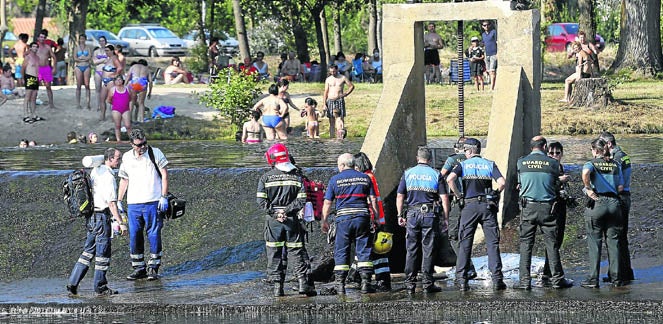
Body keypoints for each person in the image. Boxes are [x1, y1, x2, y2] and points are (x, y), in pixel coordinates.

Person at [446, 138, 507, 291]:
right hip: (487, 205)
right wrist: (495, 193)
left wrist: (459, 196)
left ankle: (461, 279)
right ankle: (497, 278)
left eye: (465, 150)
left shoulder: (463, 165)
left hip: (469, 205)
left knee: (465, 242)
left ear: (470, 150)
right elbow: (502, 182)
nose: (465, 153)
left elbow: (450, 179)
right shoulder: (489, 164)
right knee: (492, 243)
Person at [514, 136, 573, 290]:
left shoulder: (521, 162)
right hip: (548, 208)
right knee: (552, 244)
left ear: (531, 146)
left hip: (528, 208)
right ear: (545, 147)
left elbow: (521, 182)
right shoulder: (553, 163)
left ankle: (524, 282)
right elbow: (554, 183)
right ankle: (557, 280)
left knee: (526, 244)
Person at [256, 143, 315, 297]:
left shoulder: (265, 178)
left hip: (273, 222)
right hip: (292, 220)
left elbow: (261, 202)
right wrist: (287, 211)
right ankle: (303, 283)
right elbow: (302, 200)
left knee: (274, 252)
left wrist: (276, 214)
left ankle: (278, 288)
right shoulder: (297, 177)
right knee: (296, 251)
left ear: (272, 159)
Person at [66, 148, 126, 296]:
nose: (120, 161)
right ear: (110, 159)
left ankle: (73, 282)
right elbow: (111, 203)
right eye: (118, 158)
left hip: (91, 216)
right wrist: (121, 222)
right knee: (103, 253)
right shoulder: (109, 177)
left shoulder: (96, 170)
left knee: (88, 252)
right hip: (101, 217)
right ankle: (100, 287)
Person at [321, 153, 378, 294]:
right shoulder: (365, 178)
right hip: (362, 217)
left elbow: (328, 202)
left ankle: (340, 284)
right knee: (364, 249)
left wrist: (324, 220)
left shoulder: (335, 180)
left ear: (342, 165)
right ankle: (366, 283)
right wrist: (375, 217)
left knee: (341, 250)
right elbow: (373, 199)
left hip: (343, 220)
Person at [117, 128, 169, 281]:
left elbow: (165, 175)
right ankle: (139, 267)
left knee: (153, 234)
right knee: (134, 236)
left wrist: (163, 197)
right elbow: (124, 179)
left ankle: (153, 267)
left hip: (153, 201)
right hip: (134, 203)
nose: (142, 147)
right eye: (139, 145)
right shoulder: (126, 157)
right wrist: (119, 200)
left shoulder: (155, 153)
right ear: (132, 144)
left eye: (144, 143)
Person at [396, 147, 450, 294]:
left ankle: (409, 284)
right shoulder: (435, 174)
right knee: (428, 249)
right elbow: (444, 198)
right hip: (429, 215)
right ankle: (427, 283)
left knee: (411, 249)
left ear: (417, 158)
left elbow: (400, 196)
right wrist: (445, 218)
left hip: (412, 214)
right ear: (430, 159)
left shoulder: (408, 173)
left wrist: (400, 215)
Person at [580, 138, 624, 288]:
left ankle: (593, 279)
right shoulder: (616, 164)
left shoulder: (591, 163)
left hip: (597, 203)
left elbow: (586, 173)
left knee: (594, 242)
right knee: (614, 242)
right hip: (614, 204)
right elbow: (620, 187)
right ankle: (616, 278)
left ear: (594, 150)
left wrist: (588, 188)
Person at [346, 152, 391, 292]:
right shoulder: (371, 176)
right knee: (376, 251)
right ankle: (380, 279)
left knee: (368, 250)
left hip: (370, 219)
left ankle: (358, 277)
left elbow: (370, 201)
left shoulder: (366, 178)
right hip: (377, 218)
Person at [440, 137, 477, 279]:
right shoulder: (476, 161)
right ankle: (466, 266)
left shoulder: (452, 159)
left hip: (459, 201)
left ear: (457, 147)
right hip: (473, 202)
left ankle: (466, 266)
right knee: (466, 234)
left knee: (453, 235)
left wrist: (442, 194)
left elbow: (441, 176)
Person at [599, 131, 634, 283]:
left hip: (620, 198)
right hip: (625, 197)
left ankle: (619, 272)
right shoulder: (623, 154)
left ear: (609, 144)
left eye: (601, 145)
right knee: (621, 237)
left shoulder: (616, 158)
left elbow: (615, 181)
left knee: (616, 237)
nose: (600, 149)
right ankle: (625, 272)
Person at [537, 141, 572, 287]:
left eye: (558, 153)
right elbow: (545, 184)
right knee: (553, 241)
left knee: (557, 240)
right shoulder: (548, 167)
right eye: (551, 153)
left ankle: (548, 271)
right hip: (551, 208)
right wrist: (559, 180)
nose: (555, 156)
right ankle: (551, 274)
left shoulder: (559, 166)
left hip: (560, 205)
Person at [323, 64, 354, 139]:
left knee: (340, 118)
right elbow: (325, 92)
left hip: (339, 100)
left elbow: (351, 86)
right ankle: (332, 137)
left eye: (334, 71)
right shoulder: (328, 79)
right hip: (330, 100)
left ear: (337, 70)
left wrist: (346, 94)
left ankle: (340, 137)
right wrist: (324, 104)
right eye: (331, 72)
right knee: (331, 120)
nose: (333, 73)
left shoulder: (342, 78)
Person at [21, 42, 44, 124]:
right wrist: (23, 78)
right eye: (33, 46)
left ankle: (33, 114)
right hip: (29, 77)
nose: (35, 48)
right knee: (28, 96)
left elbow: (38, 69)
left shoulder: (38, 58)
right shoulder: (27, 58)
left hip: (36, 78)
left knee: (34, 97)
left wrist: (40, 78)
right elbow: (23, 68)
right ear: (30, 48)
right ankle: (25, 115)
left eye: (36, 47)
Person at [99, 45, 123, 121]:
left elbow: (120, 67)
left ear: (112, 51)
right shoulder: (108, 59)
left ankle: (114, 117)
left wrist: (114, 75)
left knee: (112, 100)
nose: (106, 52)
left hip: (110, 81)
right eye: (105, 50)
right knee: (102, 99)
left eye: (108, 50)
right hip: (105, 81)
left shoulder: (114, 58)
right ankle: (102, 116)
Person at [106, 75, 132, 142]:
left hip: (126, 109)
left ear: (122, 81)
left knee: (128, 125)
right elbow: (108, 100)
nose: (118, 81)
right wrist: (115, 104)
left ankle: (132, 139)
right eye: (117, 80)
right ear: (114, 81)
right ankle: (118, 140)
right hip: (116, 109)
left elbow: (131, 98)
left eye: (120, 79)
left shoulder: (127, 88)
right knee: (117, 125)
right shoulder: (112, 89)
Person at [127, 59, 153, 123]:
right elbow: (151, 81)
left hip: (134, 82)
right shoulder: (147, 69)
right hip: (142, 83)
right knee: (141, 103)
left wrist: (125, 85)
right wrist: (149, 92)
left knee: (132, 102)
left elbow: (128, 76)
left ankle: (129, 118)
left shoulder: (133, 66)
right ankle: (141, 119)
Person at [36, 30, 57, 109]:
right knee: (35, 86)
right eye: (41, 37)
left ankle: (51, 104)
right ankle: (33, 101)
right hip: (37, 69)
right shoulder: (35, 47)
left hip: (46, 68)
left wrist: (54, 67)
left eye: (44, 37)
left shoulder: (47, 47)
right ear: (38, 38)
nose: (42, 39)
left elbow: (54, 57)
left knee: (48, 86)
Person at [73, 34, 93, 110]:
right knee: (78, 85)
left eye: (83, 39)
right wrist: (83, 59)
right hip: (78, 66)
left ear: (85, 39)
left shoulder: (88, 47)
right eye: (81, 39)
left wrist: (82, 59)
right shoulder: (76, 48)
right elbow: (75, 57)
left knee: (87, 84)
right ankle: (78, 103)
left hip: (86, 66)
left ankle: (88, 103)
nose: (82, 40)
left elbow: (89, 56)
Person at [92, 36, 109, 112]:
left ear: (105, 42)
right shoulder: (96, 51)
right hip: (98, 71)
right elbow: (94, 62)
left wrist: (99, 60)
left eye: (103, 41)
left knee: (108, 89)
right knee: (97, 89)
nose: (102, 42)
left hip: (106, 71)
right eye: (100, 41)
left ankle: (108, 105)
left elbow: (109, 61)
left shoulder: (108, 51)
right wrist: (103, 60)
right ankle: (98, 105)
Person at [481, 20, 497, 90]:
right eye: (484, 25)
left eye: (487, 25)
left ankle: (492, 87)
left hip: (493, 54)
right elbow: (483, 44)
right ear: (482, 27)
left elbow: (498, 42)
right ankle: (492, 85)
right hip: (487, 54)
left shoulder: (493, 32)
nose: (486, 26)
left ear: (490, 25)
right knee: (488, 71)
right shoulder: (483, 35)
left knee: (492, 71)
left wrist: (498, 53)